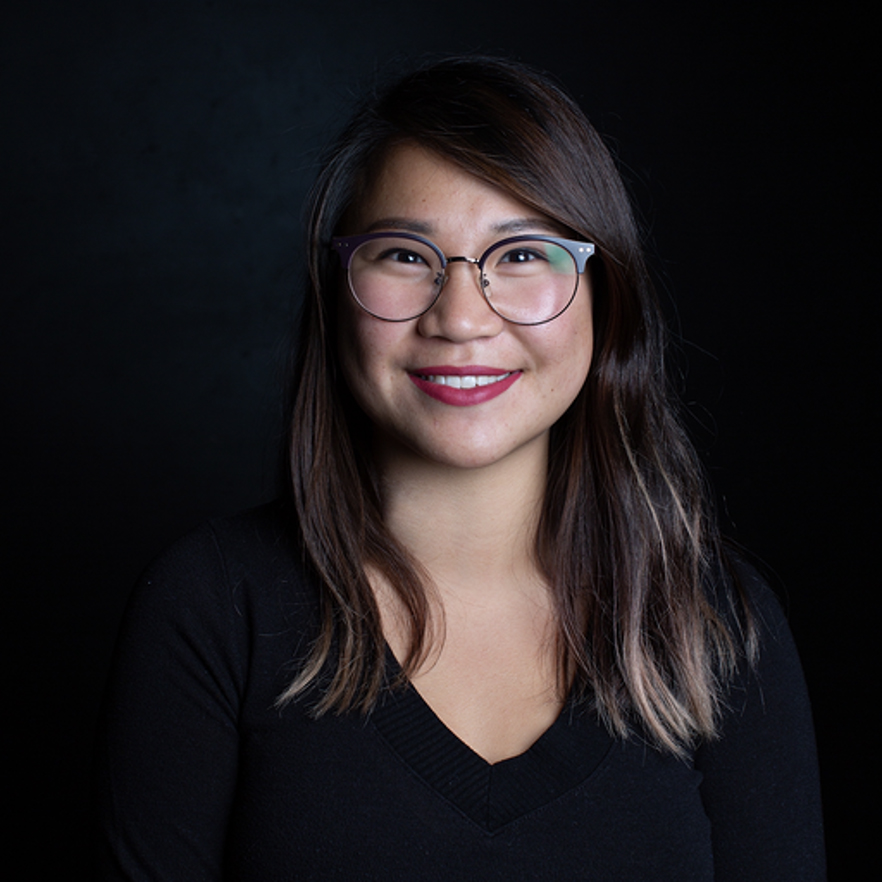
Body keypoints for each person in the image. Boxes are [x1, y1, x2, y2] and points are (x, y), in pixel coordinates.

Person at [94, 56, 825, 880]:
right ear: (336, 292)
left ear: (605, 294)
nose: (462, 318)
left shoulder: (715, 626)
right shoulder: (212, 608)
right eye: (405, 255)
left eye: (523, 254)